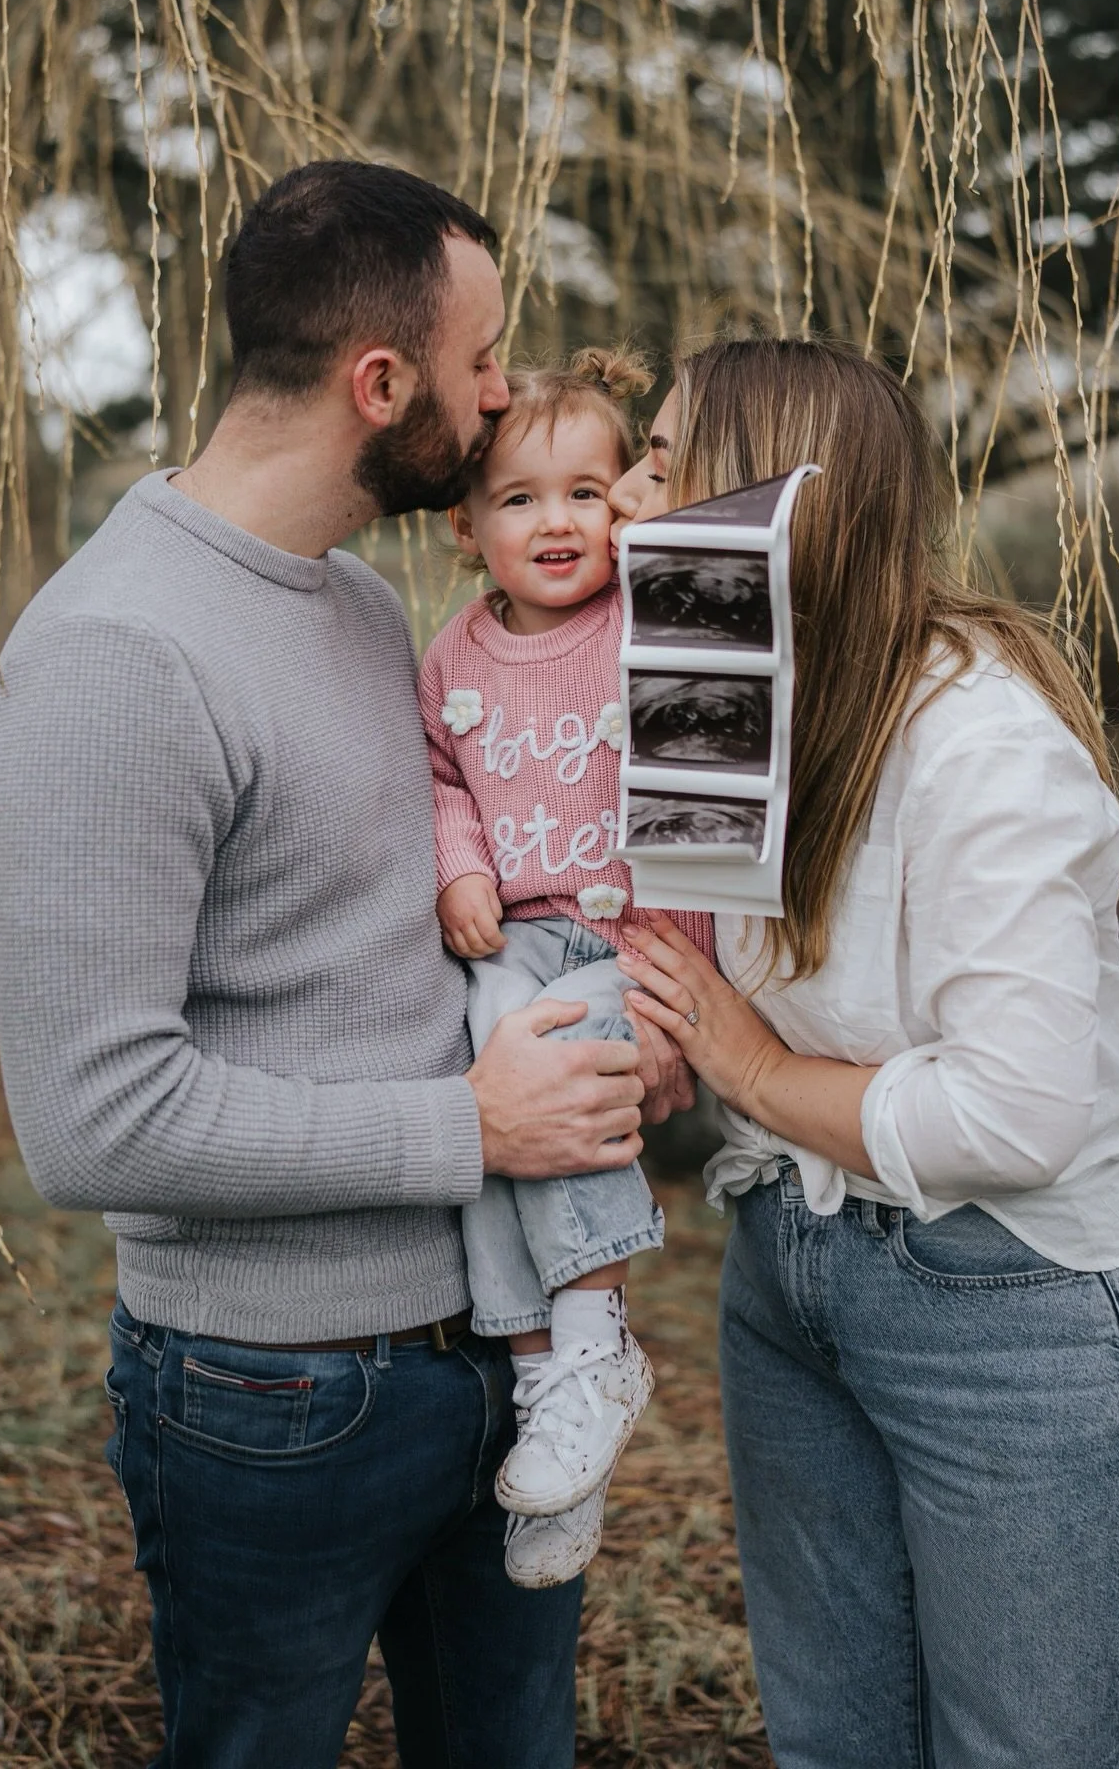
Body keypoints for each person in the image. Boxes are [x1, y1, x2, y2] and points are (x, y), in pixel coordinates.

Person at [0, 160, 690, 1769]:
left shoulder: (371, 608)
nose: (504, 396)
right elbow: (93, 1122)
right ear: (382, 385)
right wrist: (473, 1130)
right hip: (271, 1398)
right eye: (482, 360)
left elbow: (537, 827)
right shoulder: (115, 660)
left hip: (490, 1353)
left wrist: (629, 1022)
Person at [608, 337, 1119, 1769]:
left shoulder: (982, 744)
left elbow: (1018, 1112)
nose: (623, 493)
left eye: (664, 463)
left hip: (1013, 1303)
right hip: (794, 1269)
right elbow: (665, 938)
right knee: (837, 1739)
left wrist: (744, 1071)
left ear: (771, 504)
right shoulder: (720, 689)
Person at [419, 347, 716, 1587]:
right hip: (518, 939)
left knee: (558, 1070)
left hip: (628, 941)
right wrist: (458, 869)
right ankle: (547, 1379)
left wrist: (677, 1000)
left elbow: (704, 782)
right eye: (520, 498)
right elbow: (439, 776)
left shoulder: (647, 621)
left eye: (586, 492)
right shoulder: (450, 659)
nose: (557, 523)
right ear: (466, 524)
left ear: (623, 506)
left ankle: (593, 1341)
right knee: (487, 1097)